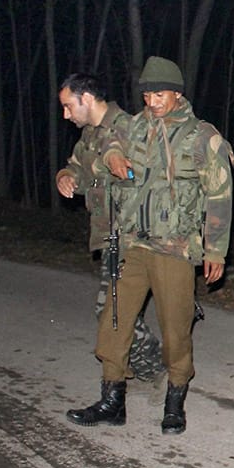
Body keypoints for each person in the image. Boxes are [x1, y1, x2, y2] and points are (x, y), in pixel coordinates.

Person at [66, 56, 234, 435]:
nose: (152, 102)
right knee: (114, 319)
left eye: (159, 94)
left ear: (176, 93)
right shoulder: (134, 128)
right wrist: (109, 155)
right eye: (147, 95)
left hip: (174, 247)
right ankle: (112, 401)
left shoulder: (201, 137)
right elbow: (105, 139)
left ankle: (175, 401)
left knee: (175, 329)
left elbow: (220, 195)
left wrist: (216, 250)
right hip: (131, 244)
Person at [54, 73, 165, 383]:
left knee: (112, 309)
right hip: (107, 232)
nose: (65, 114)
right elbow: (76, 166)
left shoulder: (128, 129)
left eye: (67, 106)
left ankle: (153, 365)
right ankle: (146, 369)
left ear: (86, 98)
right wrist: (64, 176)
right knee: (115, 310)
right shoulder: (90, 134)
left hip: (132, 234)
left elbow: (139, 182)